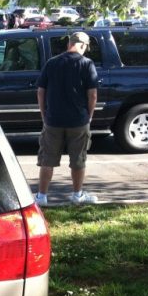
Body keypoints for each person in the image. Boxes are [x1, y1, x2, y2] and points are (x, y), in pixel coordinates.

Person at [35, 31, 99, 206]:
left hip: (53, 120)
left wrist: (44, 114)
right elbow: (92, 95)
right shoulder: (87, 64)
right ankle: (77, 195)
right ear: (83, 46)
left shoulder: (52, 63)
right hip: (78, 120)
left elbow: (41, 91)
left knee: (47, 159)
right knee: (78, 159)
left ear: (68, 44)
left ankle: (42, 197)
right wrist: (89, 116)